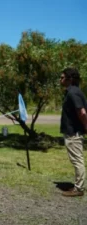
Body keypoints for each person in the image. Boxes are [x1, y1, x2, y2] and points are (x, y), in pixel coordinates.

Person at [59, 68, 86, 197]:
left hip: (73, 133)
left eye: (62, 77)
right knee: (76, 160)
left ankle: (79, 189)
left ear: (70, 79)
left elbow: (82, 112)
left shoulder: (73, 93)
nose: (60, 80)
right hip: (72, 132)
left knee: (77, 161)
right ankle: (78, 186)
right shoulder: (73, 92)